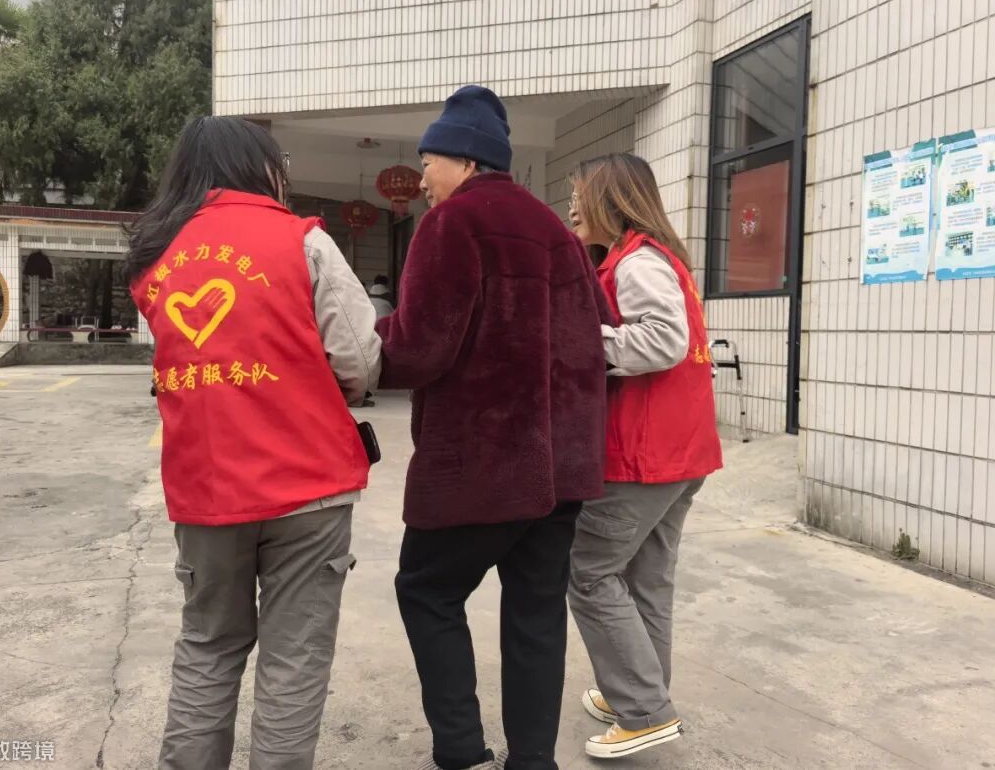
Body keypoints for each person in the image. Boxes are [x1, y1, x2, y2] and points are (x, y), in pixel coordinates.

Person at [124, 116, 381, 770]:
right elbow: (358, 359)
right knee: (294, 658)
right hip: (308, 485)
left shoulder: (156, 255)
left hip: (205, 488)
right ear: (260, 167)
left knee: (207, 646)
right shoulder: (303, 241)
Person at [376, 85, 612, 770]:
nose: (422, 179)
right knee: (536, 613)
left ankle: (459, 748)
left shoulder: (453, 225)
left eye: (429, 163)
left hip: (480, 462)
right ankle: (532, 760)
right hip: (562, 468)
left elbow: (420, 349)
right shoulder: (559, 235)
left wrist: (366, 339)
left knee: (426, 589)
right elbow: (600, 339)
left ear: (468, 161)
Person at [565, 152, 723, 760]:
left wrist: (575, 340)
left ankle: (644, 708)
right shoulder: (658, 257)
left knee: (588, 572)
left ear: (612, 198)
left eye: (579, 194)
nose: (572, 207)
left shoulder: (637, 262)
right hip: (680, 453)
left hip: (643, 456)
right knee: (646, 579)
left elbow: (663, 340)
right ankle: (640, 692)